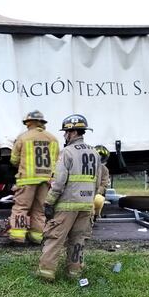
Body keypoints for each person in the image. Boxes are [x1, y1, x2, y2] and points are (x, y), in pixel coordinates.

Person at [37, 114, 101, 282]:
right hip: (87, 206)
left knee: (54, 238)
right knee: (78, 240)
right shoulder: (94, 152)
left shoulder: (67, 152)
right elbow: (97, 182)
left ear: (72, 132)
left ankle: (46, 274)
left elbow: (58, 182)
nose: (65, 135)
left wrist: (49, 201)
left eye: (66, 132)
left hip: (66, 205)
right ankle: (74, 274)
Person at [8, 110, 59, 244]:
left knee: (21, 208)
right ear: (42, 123)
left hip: (27, 180)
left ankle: (18, 236)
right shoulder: (53, 139)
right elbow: (56, 160)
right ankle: (37, 237)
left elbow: (14, 159)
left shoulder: (23, 138)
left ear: (29, 123)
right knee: (39, 210)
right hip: (46, 180)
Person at [93, 145, 111, 222]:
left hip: (95, 194)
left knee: (98, 200)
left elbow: (104, 185)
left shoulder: (104, 170)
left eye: (101, 158)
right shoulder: (85, 167)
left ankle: (95, 215)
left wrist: (96, 192)